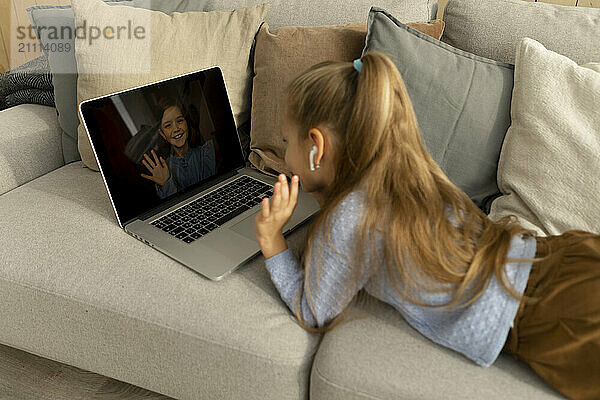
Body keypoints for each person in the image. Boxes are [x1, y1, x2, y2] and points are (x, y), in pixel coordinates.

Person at [253, 51, 600, 400]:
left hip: (548, 316)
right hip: (557, 259)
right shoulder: (410, 173)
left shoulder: (348, 218)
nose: (284, 157)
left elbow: (314, 311)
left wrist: (273, 241)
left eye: (286, 142)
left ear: (316, 146)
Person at [140, 97, 217, 199]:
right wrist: (165, 183)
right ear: (163, 134)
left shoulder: (208, 151)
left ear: (187, 124)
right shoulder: (162, 170)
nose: (176, 129)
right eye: (168, 126)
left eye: (180, 121)